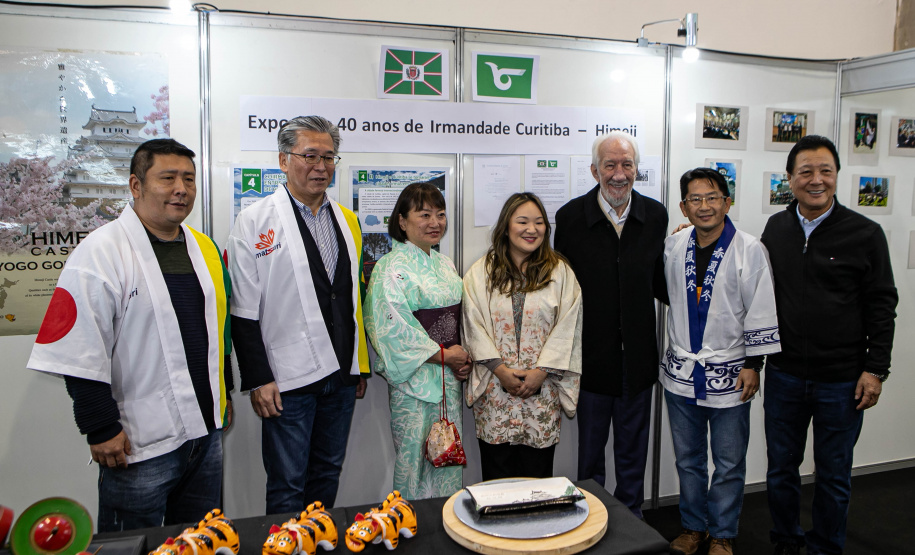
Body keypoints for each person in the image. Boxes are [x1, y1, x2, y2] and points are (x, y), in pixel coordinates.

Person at [28, 139, 233, 531]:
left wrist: (222, 397)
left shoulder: (203, 248)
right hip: (138, 440)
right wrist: (100, 427)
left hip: (205, 433)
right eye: (168, 178)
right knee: (131, 541)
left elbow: (216, 329)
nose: (181, 189)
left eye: (189, 179)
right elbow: (79, 348)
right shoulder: (101, 251)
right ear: (136, 186)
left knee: (197, 538)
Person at [761, 135, 897, 555]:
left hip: (841, 381)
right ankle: (786, 540)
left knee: (834, 475)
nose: (816, 180)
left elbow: (882, 305)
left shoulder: (865, 233)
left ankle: (825, 548)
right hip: (784, 375)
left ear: (837, 176)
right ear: (790, 178)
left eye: (826, 171)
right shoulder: (776, 228)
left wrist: (875, 369)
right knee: (781, 470)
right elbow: (759, 296)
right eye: (806, 172)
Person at [227, 116, 370, 514]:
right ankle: (286, 541)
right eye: (310, 156)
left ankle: (317, 538)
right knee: (287, 483)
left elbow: (352, 300)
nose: (320, 166)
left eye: (328, 157)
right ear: (283, 160)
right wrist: (258, 378)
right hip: (286, 378)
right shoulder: (254, 221)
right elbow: (243, 309)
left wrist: (358, 366)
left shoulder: (348, 220)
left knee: (327, 473)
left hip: (340, 376)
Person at [663, 168, 781, 555]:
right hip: (682, 373)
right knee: (688, 459)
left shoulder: (749, 249)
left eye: (712, 197)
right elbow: (668, 293)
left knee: (729, 462)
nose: (704, 206)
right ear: (684, 207)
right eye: (695, 199)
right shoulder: (674, 245)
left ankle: (723, 534)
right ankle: (693, 527)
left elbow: (760, 308)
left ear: (727, 203)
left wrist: (754, 365)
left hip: (731, 373)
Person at [554, 131, 668, 518]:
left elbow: (660, 281)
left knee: (633, 454)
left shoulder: (655, 216)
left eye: (627, 164)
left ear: (637, 169)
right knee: (590, 457)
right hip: (591, 360)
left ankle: (633, 522)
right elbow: (562, 290)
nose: (619, 174)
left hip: (638, 361)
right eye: (610, 165)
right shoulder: (570, 218)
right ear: (594, 170)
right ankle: (591, 521)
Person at [463, 192, 582, 480]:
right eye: (523, 221)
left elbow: (569, 326)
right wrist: (500, 370)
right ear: (506, 226)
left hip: (542, 390)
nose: (532, 229)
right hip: (495, 390)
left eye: (539, 222)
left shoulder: (560, 272)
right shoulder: (481, 272)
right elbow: (472, 323)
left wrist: (541, 372)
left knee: (537, 478)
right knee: (497, 478)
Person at [364, 182, 471, 499]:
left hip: (448, 380)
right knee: (414, 461)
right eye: (424, 214)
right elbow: (389, 328)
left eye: (440, 214)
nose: (435, 222)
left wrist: (461, 359)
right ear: (402, 220)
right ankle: (410, 522)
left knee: (447, 457)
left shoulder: (445, 264)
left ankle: (446, 521)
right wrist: (444, 355)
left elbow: (458, 320)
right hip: (414, 381)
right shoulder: (389, 268)